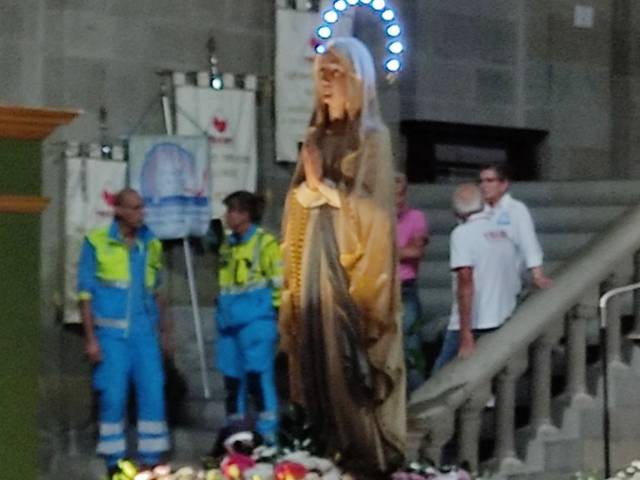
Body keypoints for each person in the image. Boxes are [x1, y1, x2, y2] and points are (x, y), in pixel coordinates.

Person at [278, 37, 406, 475]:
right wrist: (309, 192)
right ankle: (324, 449)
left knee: (343, 362)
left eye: (337, 73)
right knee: (312, 355)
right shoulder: (316, 135)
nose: (327, 83)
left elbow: (374, 214)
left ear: (358, 79)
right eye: (322, 74)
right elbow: (297, 202)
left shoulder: (373, 137)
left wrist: (323, 189)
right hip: (313, 258)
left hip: (347, 268)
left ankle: (363, 454)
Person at [77, 188, 171, 476]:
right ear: (118, 211)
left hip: (144, 336)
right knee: (113, 396)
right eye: (134, 208)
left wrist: (165, 332)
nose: (140, 213)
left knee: (153, 390)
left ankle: (151, 458)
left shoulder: (150, 244)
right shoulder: (96, 243)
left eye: (142, 207)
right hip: (111, 336)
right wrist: (91, 339)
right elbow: (85, 294)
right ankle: (113, 460)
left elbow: (155, 291)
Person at [214, 191, 282, 445]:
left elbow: (278, 283)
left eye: (231, 210)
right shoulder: (228, 244)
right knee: (232, 382)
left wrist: (275, 315)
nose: (227, 216)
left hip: (256, 322)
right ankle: (237, 436)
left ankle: (268, 437)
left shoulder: (265, 243)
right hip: (229, 324)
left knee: (258, 379)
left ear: (245, 214)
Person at [432, 183, 520, 371]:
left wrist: (465, 333)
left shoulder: (462, 234)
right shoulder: (501, 232)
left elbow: (465, 280)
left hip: (473, 322)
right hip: (501, 316)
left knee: (439, 379)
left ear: (457, 212)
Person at [479, 163, 553, 290]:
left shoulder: (516, 209)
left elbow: (528, 243)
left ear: (503, 184)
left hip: (506, 281)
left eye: (489, 181)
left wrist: (538, 275)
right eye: (481, 181)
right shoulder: (476, 210)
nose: (483, 186)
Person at [395, 172, 429, 391]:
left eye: (400, 194)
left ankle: (418, 396)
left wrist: (385, 250)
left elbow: (416, 251)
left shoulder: (416, 217)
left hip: (405, 287)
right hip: (379, 288)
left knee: (411, 346)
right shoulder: (376, 218)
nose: (397, 200)